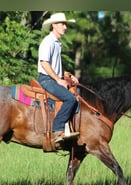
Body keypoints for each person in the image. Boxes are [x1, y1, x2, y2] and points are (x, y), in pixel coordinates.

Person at [37, 13, 80, 143]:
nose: (65, 27)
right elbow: (44, 63)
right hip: (46, 79)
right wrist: (58, 79)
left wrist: (68, 75)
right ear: (54, 25)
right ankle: (57, 129)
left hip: (52, 78)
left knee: (74, 95)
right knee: (70, 99)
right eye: (62, 24)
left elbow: (54, 66)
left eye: (65, 24)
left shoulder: (56, 43)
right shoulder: (48, 42)